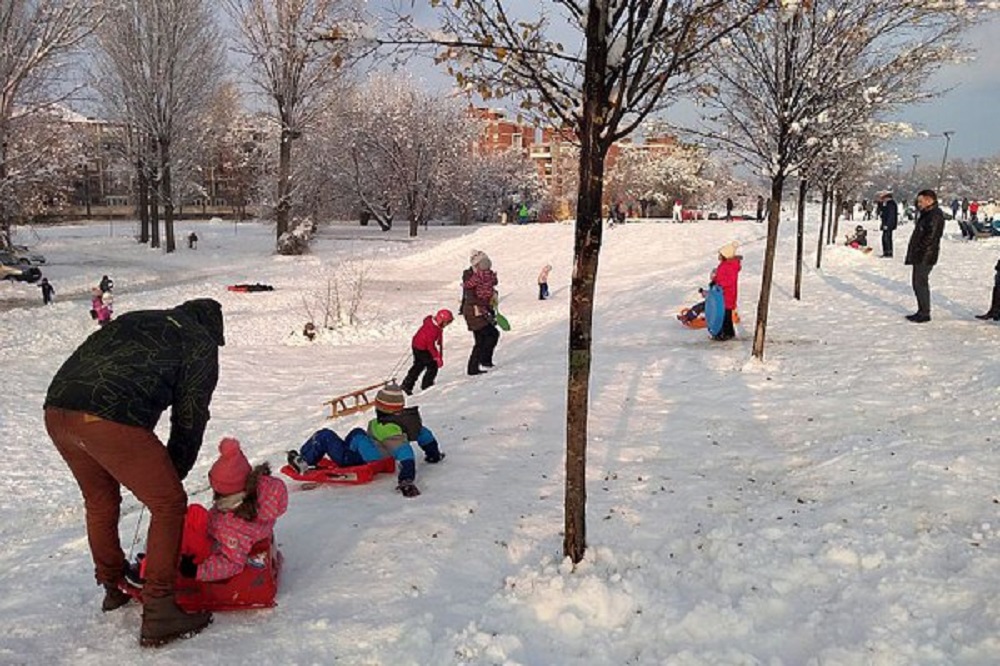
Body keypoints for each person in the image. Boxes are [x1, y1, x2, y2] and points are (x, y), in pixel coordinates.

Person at [43, 298, 224, 647]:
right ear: (213, 328)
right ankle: (159, 611)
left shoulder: (140, 317)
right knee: (169, 503)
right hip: (106, 417)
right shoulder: (199, 341)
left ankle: (114, 588)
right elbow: (191, 414)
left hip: (58, 409)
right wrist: (176, 470)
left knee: (100, 500)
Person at [287, 384, 444, 498]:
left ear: (382, 408)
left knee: (324, 435)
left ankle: (304, 461)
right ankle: (344, 447)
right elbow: (425, 436)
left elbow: (405, 453)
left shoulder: (387, 428)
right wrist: (433, 454)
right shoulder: (408, 422)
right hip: (371, 452)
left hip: (358, 460)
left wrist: (406, 481)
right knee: (357, 432)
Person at [904, 189, 946, 323]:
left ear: (929, 200)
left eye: (921, 201)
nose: (919, 203)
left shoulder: (934, 215)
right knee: (917, 282)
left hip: (926, 255)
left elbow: (931, 236)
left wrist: (919, 247)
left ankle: (924, 313)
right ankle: (921, 310)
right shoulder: (927, 213)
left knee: (920, 282)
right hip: (921, 254)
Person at [462, 252, 500, 375]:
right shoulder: (469, 275)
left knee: (490, 335)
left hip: (483, 309)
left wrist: (492, 295)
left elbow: (493, 283)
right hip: (473, 311)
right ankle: (473, 367)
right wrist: (485, 301)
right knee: (485, 337)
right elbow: (470, 296)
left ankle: (484, 361)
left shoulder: (485, 274)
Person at [400, 309, 453, 395]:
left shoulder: (434, 325)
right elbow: (430, 346)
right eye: (446, 322)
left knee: (418, 365)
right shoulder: (432, 329)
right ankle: (427, 385)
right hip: (421, 347)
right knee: (432, 365)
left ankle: (407, 385)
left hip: (418, 344)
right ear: (441, 320)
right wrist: (436, 357)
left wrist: (439, 341)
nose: (447, 325)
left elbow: (438, 334)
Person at [713, 242, 742, 341]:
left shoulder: (729, 266)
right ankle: (727, 332)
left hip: (727, 294)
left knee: (725, 316)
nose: (719, 256)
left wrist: (719, 283)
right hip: (722, 294)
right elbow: (720, 276)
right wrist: (715, 280)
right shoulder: (724, 265)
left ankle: (726, 333)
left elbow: (729, 280)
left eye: (720, 255)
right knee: (724, 315)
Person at [879, 192, 898, 258]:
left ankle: (888, 253)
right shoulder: (887, 204)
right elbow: (882, 210)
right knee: (885, 238)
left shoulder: (891, 204)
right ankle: (886, 252)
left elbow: (891, 216)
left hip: (888, 225)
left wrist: (887, 224)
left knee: (886, 238)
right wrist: (880, 203)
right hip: (886, 223)